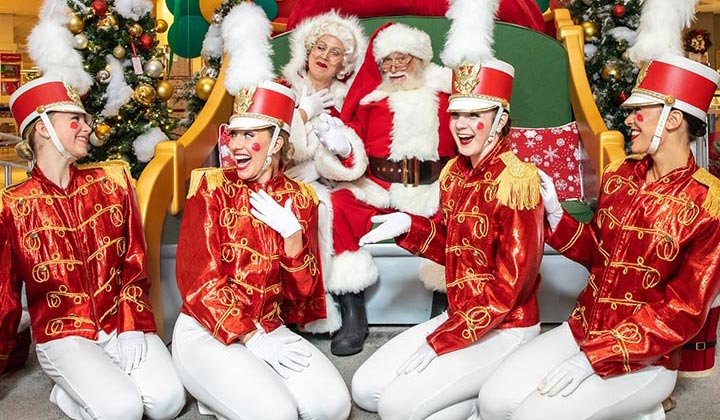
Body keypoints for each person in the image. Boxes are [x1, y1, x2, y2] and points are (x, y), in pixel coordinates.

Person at [477, 51, 720, 420]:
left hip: (646, 358)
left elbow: (683, 312)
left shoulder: (707, 202)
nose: (628, 121)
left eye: (639, 112)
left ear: (672, 119)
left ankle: (645, 403)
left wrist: (597, 358)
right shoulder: (619, 176)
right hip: (583, 326)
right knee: (493, 403)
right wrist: (556, 213)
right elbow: (596, 253)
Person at [350, 1, 544, 417]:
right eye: (456, 113)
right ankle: (474, 394)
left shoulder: (517, 182)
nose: (461, 124)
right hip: (461, 313)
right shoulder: (455, 172)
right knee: (366, 391)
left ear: (499, 119)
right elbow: (454, 249)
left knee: (396, 408)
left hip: (504, 326)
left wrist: (443, 341)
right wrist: (410, 226)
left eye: (475, 115)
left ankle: (496, 387)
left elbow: (510, 289)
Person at [171, 4, 351, 420]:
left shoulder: (301, 199)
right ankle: (213, 387)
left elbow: (303, 295)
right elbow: (200, 284)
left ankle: (228, 393)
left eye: (250, 135)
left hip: (269, 328)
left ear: (276, 142)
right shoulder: (211, 187)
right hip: (206, 326)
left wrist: (293, 240)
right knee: (277, 414)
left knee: (333, 407)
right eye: (234, 134)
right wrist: (250, 338)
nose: (234, 145)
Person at [0, 77, 185, 420]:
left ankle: (88, 387)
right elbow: (4, 297)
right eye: (76, 120)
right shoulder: (13, 206)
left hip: (120, 322)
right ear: (43, 129)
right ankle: (70, 390)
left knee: (168, 403)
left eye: (85, 119)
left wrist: (131, 324)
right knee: (123, 410)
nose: (87, 127)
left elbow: (134, 261)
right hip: (63, 333)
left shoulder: (112, 184)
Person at [320, 21, 457, 356]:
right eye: (387, 62)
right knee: (336, 206)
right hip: (380, 187)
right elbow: (352, 142)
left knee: (458, 211)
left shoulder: (445, 95)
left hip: (433, 186)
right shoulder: (370, 101)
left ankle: (445, 305)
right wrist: (342, 147)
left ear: (420, 60)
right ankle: (353, 310)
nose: (395, 68)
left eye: (403, 59)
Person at [280, 10, 368, 333]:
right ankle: (288, 310)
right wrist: (303, 113)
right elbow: (272, 142)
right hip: (279, 180)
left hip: (324, 184)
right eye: (321, 47)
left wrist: (341, 148)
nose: (325, 56)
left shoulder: (346, 101)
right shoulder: (282, 87)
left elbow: (356, 159)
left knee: (330, 206)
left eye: (335, 53)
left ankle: (344, 308)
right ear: (309, 49)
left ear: (341, 65)